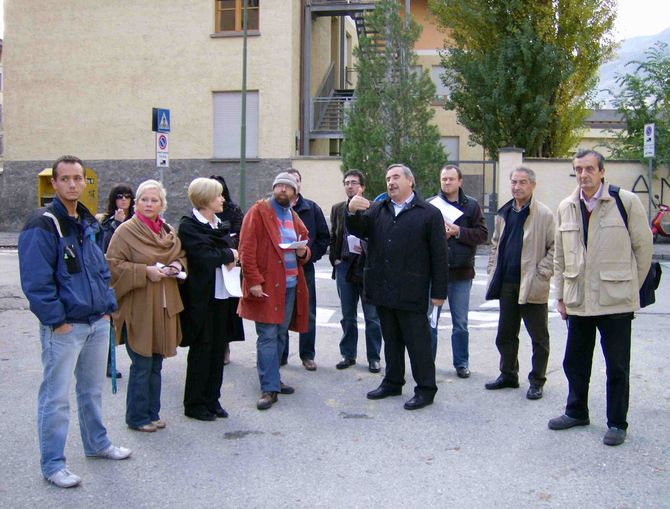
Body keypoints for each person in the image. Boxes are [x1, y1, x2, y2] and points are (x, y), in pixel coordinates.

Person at [18, 155, 131, 489]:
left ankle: (97, 444)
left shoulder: (87, 222)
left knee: (91, 391)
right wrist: (57, 321)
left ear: (85, 182)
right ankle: (53, 464)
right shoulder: (42, 223)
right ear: (54, 183)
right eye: (64, 178)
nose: (71, 184)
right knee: (55, 398)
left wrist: (108, 308)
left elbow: (98, 270)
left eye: (77, 178)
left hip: (96, 321)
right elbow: (36, 282)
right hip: (66, 326)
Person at [549, 149, 653, 446]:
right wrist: (560, 297)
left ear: (602, 171)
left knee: (617, 365)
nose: (583, 174)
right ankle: (576, 411)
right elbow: (559, 256)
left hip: (615, 300)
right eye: (578, 169)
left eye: (589, 169)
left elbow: (643, 249)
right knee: (575, 361)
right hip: (578, 299)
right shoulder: (566, 206)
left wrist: (630, 286)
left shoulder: (625, 202)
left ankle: (617, 423)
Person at [347, 164, 448, 410]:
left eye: (395, 177)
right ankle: (393, 381)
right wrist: (352, 212)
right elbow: (359, 230)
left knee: (418, 343)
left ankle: (425, 389)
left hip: (412, 289)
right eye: (387, 178)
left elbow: (439, 256)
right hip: (383, 286)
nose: (390, 182)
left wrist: (438, 293)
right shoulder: (378, 209)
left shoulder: (429, 213)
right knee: (391, 340)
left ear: (410, 182)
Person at [106, 179, 187, 432]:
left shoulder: (167, 231)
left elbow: (181, 255)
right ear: (136, 202)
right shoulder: (125, 231)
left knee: (156, 362)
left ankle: (152, 413)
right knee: (141, 363)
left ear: (162, 204)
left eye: (154, 200)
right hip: (138, 306)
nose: (149, 204)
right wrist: (144, 272)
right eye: (144, 199)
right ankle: (137, 417)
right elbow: (112, 265)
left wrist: (177, 267)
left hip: (163, 306)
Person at [238, 172, 311, 410]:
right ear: (273, 189)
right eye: (279, 186)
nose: (283, 190)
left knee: (280, 333)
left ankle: (275, 378)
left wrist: (303, 253)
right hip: (267, 287)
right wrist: (254, 282)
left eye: (287, 188)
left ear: (294, 194)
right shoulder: (258, 212)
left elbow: (305, 244)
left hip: (290, 286)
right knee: (267, 335)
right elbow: (246, 249)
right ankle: (268, 388)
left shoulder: (293, 215)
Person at [484, 166, 555, 400]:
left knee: (539, 338)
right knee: (505, 334)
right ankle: (508, 374)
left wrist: (541, 273)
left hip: (531, 284)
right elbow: (495, 244)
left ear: (532, 185)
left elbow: (555, 248)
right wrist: (492, 268)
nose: (517, 186)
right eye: (514, 182)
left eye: (522, 182)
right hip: (507, 284)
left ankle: (537, 381)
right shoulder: (504, 213)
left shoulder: (543, 214)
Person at [178, 178, 242, 421]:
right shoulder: (189, 226)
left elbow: (223, 252)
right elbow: (204, 256)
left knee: (218, 350)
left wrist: (228, 254)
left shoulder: (217, 224)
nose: (223, 199)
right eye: (218, 196)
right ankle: (194, 403)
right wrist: (228, 254)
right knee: (201, 352)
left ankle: (212, 399)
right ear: (205, 199)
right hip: (202, 299)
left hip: (223, 296)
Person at [428, 164, 488, 377]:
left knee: (460, 323)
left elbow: (482, 235)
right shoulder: (430, 206)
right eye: (444, 179)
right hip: (434, 274)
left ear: (460, 182)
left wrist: (458, 231)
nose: (447, 182)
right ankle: (428, 363)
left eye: (451, 179)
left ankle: (461, 363)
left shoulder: (471, 206)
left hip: (461, 273)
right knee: (431, 322)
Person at [330, 169, 383, 373]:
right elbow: (334, 235)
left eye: (354, 182)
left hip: (367, 266)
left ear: (362, 187)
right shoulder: (337, 209)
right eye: (347, 182)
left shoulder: (375, 208)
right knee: (347, 315)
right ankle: (348, 354)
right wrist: (334, 258)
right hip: (344, 265)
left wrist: (366, 245)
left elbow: (379, 236)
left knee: (372, 316)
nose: (349, 186)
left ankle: (374, 357)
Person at [279, 168, 329, 371]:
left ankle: (307, 355)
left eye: (296, 180)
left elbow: (325, 237)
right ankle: (281, 355)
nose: (293, 184)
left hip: (304, 268)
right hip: (280, 270)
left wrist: (309, 255)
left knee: (308, 312)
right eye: (289, 181)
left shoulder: (312, 208)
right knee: (282, 313)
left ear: (299, 185)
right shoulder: (274, 208)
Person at [97, 183, 136, 379]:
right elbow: (106, 246)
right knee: (111, 319)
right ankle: (109, 363)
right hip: (112, 276)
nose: (123, 200)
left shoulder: (138, 220)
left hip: (133, 275)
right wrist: (116, 224)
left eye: (127, 196)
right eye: (119, 196)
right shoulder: (105, 221)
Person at [210, 175, 245, 365]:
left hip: (231, 264)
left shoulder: (232, 210)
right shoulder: (199, 216)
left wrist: (233, 250)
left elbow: (242, 233)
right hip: (214, 266)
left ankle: (225, 346)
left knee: (228, 309)